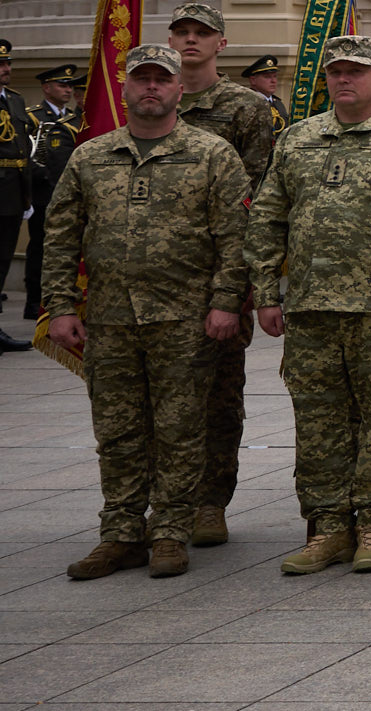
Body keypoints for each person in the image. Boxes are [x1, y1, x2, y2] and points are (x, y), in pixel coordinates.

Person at [43, 44, 249, 580]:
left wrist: (227, 302)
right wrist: (62, 306)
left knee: (180, 428)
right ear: (125, 89)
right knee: (117, 430)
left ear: (181, 89)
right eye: (141, 80)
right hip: (110, 319)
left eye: (162, 79)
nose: (151, 88)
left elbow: (234, 238)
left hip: (185, 319)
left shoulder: (212, 154)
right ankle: (120, 533)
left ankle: (171, 531)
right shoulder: (91, 156)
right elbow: (61, 236)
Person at [248, 34, 371, 577]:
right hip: (311, 309)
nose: (343, 79)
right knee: (317, 421)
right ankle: (329, 524)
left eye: (355, 70)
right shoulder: (298, 139)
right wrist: (266, 293)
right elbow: (268, 218)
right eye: (335, 71)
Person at [165, 2, 277, 550]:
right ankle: (162, 503)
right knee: (154, 399)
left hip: (219, 274)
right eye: (182, 33)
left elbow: (256, 196)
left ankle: (211, 500)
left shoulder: (246, 108)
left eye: (201, 34)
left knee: (218, 394)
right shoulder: (151, 96)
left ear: (220, 44)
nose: (191, 41)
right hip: (154, 277)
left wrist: (246, 281)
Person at [23, 61, 83, 324]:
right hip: (43, 192)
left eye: (70, 86)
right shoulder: (33, 116)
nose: (67, 90)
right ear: (47, 88)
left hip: (64, 189)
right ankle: (33, 300)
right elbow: (25, 153)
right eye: (62, 85)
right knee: (40, 247)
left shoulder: (74, 117)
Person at [0, 39, 29, 353]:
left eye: (8, 64)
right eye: (1, 65)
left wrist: (27, 196)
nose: (6, 70)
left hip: (12, 195)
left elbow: (21, 149)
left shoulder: (16, 101)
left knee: (2, 263)